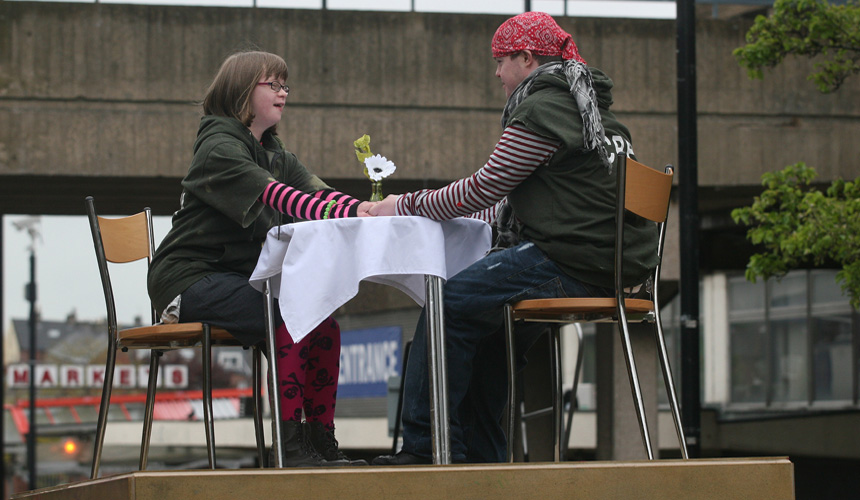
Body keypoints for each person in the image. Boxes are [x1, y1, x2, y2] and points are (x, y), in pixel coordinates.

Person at [369, 12, 658, 464]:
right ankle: (482, 461)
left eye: (500, 61)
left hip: (574, 262)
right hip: (614, 265)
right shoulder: (596, 111)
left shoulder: (545, 110)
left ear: (526, 58)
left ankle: (426, 448)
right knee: (488, 330)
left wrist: (403, 205)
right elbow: (532, 198)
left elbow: (484, 187)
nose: (497, 73)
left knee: (445, 304)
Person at [147, 50, 373, 467]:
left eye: (286, 85)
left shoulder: (273, 152)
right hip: (188, 278)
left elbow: (321, 194)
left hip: (233, 279)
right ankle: (288, 448)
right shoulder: (218, 147)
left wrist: (371, 209)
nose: (284, 93)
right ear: (242, 90)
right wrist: (355, 212)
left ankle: (319, 440)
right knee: (289, 314)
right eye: (274, 84)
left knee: (324, 324)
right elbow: (280, 196)